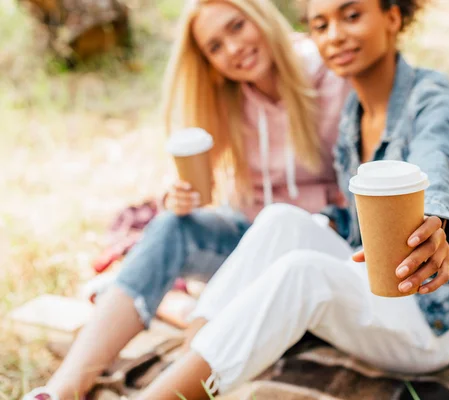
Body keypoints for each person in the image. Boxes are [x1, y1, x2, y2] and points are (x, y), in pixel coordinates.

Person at [122, 0, 449, 398]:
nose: (335, 36)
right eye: (320, 25)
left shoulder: (433, 96)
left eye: (351, 16)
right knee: (281, 219)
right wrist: (326, 223)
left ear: (392, 16)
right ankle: (190, 356)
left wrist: (434, 219)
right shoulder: (352, 110)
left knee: (304, 271)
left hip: (435, 318)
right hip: (377, 288)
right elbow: (356, 223)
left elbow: (438, 161)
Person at [24, 0, 349, 398]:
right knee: (170, 226)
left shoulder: (332, 71)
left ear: (261, 17)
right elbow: (193, 180)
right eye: (214, 46)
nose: (232, 49)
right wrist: (176, 195)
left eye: (236, 27)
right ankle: (63, 387)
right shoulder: (225, 95)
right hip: (249, 243)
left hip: (324, 247)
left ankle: (181, 364)